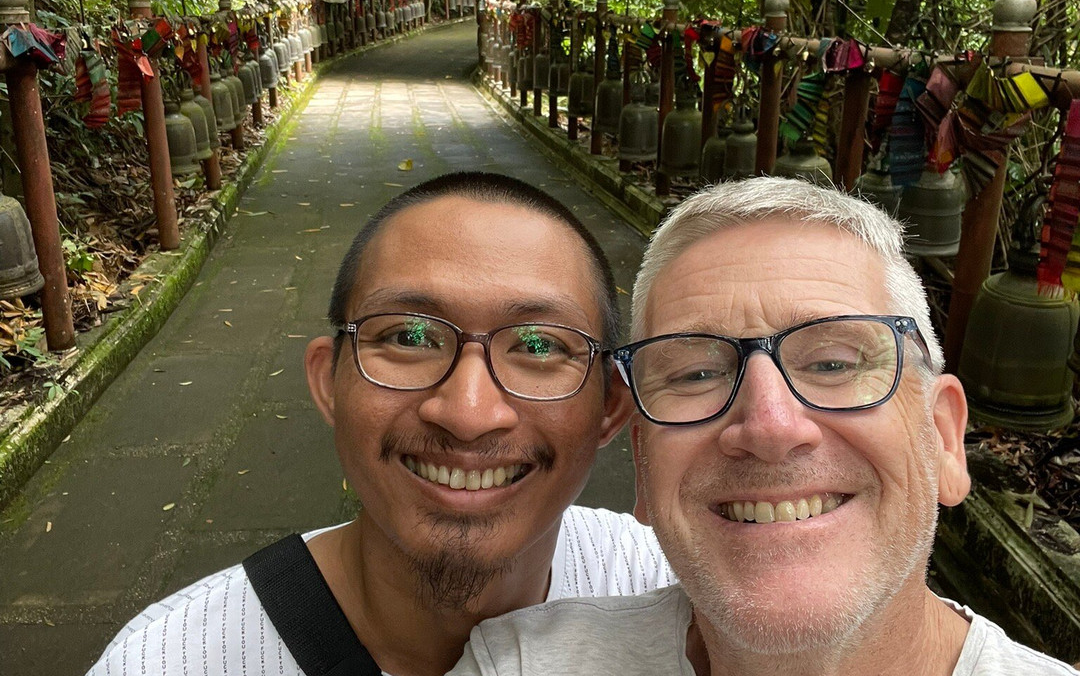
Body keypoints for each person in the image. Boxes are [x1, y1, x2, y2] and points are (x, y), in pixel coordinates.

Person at [449, 176, 1080, 676]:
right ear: (643, 464)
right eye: (697, 374)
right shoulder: (522, 665)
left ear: (942, 439)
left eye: (834, 363)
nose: (770, 425)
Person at [87, 171, 675, 676]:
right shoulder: (168, 659)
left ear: (611, 409)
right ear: (327, 383)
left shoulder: (671, 590)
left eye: (540, 346)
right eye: (408, 336)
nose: (468, 414)